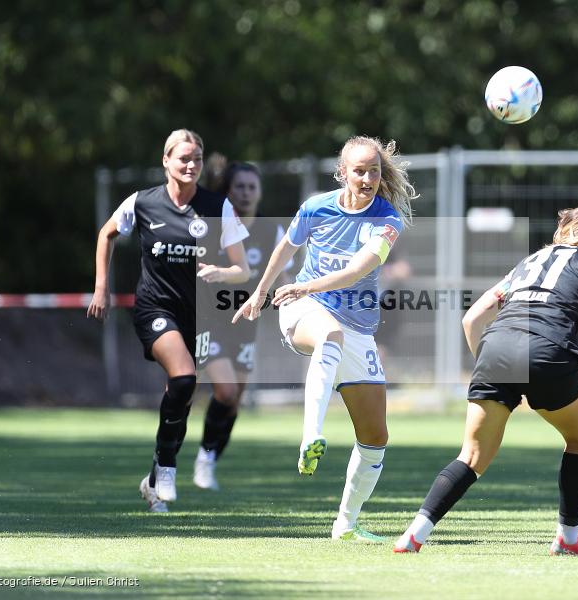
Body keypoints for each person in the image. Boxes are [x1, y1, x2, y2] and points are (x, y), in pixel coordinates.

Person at [394, 205, 578, 555]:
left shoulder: (529, 262)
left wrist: (493, 368)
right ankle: (568, 537)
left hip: (496, 346)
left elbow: (471, 319)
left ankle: (413, 535)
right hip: (545, 349)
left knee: (472, 456)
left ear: (562, 230)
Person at [233, 135, 416, 542]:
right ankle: (311, 434)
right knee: (329, 333)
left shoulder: (387, 221)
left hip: (352, 325)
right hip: (305, 312)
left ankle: (345, 525)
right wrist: (262, 292)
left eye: (374, 171)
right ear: (343, 173)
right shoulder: (316, 207)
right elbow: (285, 248)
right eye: (359, 170)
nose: (367, 178)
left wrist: (307, 286)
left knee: (375, 439)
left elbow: (357, 270)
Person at [88, 129, 250, 513]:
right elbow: (106, 234)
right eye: (183, 158)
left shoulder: (217, 206)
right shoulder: (143, 202)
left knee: (181, 396)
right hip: (153, 309)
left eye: (196, 159)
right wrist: (101, 286)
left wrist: (220, 273)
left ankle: (151, 480)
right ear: (166, 161)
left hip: (197, 316)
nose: (191, 165)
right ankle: (168, 467)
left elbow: (242, 269)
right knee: (184, 378)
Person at [193, 162, 293, 492]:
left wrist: (295, 301)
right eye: (240, 186)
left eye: (252, 187)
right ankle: (202, 459)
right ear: (228, 190)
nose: (246, 192)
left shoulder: (270, 231)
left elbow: (283, 275)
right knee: (224, 390)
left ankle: (210, 460)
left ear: (260, 191)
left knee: (235, 400)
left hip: (245, 324)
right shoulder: (214, 225)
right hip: (210, 320)